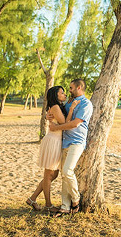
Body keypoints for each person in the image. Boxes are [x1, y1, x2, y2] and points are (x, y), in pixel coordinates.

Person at [26, 86, 80, 212]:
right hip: (53, 141)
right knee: (50, 175)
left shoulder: (57, 107)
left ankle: (32, 198)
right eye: (62, 92)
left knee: (52, 174)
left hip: (55, 140)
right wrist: (71, 109)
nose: (65, 94)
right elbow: (64, 123)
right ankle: (48, 204)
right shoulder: (55, 107)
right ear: (56, 95)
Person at [47, 79, 93, 217]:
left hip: (77, 142)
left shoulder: (86, 104)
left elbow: (74, 124)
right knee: (64, 175)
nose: (69, 91)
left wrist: (56, 127)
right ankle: (65, 207)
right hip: (65, 141)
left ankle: (76, 199)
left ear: (79, 87)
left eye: (71, 88)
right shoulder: (68, 103)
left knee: (67, 171)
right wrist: (48, 115)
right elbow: (61, 116)